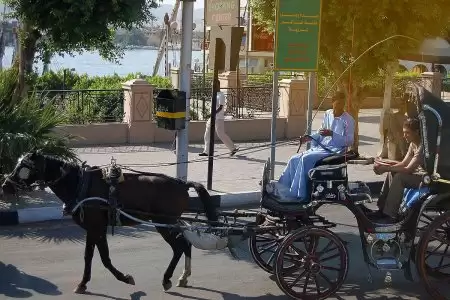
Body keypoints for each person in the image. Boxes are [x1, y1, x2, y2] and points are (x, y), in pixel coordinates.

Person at [271, 92, 355, 200]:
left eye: (342, 104)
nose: (340, 107)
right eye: (338, 103)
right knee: (294, 159)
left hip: (333, 150)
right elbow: (320, 133)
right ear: (332, 102)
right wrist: (308, 138)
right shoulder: (327, 114)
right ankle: (282, 189)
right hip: (321, 147)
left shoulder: (348, 120)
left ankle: (299, 193)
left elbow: (350, 140)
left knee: (305, 159)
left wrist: (333, 134)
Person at [371, 117, 425, 223]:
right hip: (416, 174)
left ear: (417, 132)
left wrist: (385, 168)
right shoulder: (412, 144)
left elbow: (408, 169)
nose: (404, 135)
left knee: (399, 178)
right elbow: (403, 163)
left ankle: (390, 214)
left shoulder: (422, 147)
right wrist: (386, 165)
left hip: (424, 179)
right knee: (392, 173)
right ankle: (382, 208)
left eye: (407, 133)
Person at [199, 80, 239, 157]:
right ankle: (206, 151)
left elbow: (221, 107)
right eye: (211, 86)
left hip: (218, 118)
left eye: (213, 85)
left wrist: (214, 113)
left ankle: (233, 148)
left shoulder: (221, 95)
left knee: (221, 134)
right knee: (207, 133)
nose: (212, 87)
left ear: (217, 85)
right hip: (213, 117)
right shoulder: (214, 94)